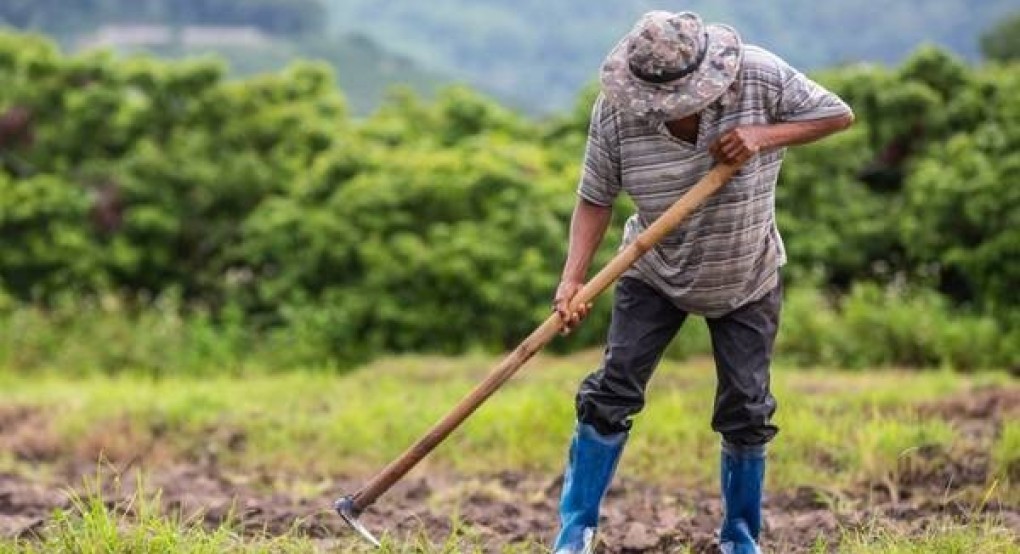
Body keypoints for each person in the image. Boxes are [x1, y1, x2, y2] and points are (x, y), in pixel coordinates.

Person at [550, 10, 853, 554]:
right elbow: (595, 197)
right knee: (610, 394)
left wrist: (764, 135)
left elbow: (837, 115)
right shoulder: (617, 113)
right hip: (653, 270)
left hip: (746, 271)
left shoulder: (759, 76)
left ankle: (739, 539)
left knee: (747, 408)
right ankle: (576, 532)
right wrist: (572, 282)